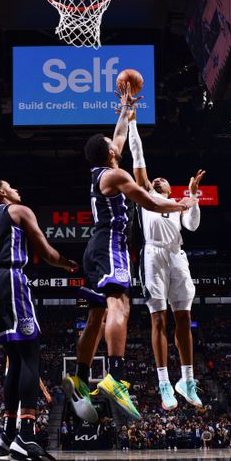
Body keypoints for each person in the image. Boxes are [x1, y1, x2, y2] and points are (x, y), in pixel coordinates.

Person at [64, 83, 197, 423]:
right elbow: (150, 200)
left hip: (94, 247)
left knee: (97, 315)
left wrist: (125, 109)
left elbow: (119, 136)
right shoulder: (118, 175)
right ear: (109, 153)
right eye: (113, 145)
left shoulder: (101, 171)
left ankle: (79, 375)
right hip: (111, 245)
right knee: (119, 303)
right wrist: (181, 202)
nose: (116, 143)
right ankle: (116, 377)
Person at [0, 180, 78, 461]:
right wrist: (68, 264)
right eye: (11, 187)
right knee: (30, 355)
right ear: (2, 193)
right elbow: (48, 253)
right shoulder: (18, 211)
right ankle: (26, 434)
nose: (17, 190)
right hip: (8, 279)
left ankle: (7, 433)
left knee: (14, 357)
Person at [125, 105, 205, 410]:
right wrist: (133, 124)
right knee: (158, 320)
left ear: (170, 189)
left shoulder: (177, 203)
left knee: (183, 319)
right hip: (153, 256)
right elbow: (138, 159)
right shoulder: (147, 198)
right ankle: (163, 384)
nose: (157, 179)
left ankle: (187, 379)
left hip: (177, 257)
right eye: (154, 179)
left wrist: (193, 196)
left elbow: (193, 225)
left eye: (163, 180)